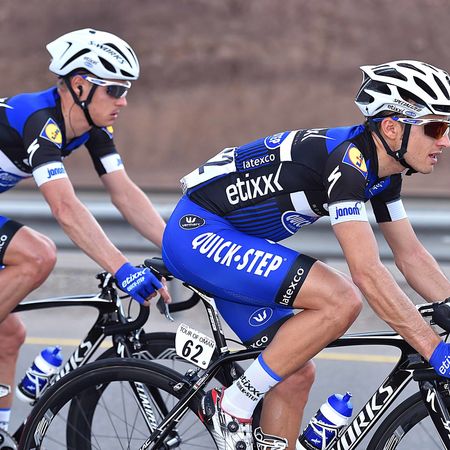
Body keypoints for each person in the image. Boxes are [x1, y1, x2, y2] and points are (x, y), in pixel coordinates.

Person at [162, 59, 450, 449]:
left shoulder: (385, 173)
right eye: (435, 128)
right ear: (392, 127)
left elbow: (411, 256)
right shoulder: (348, 164)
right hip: (198, 234)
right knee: (341, 298)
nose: (445, 141)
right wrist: (433, 348)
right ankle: (232, 405)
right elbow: (366, 272)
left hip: (233, 241)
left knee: (294, 375)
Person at [0, 28, 170, 431]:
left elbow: (124, 194)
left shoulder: (93, 128)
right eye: (114, 90)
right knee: (37, 255)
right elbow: (64, 206)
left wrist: (183, 252)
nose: (123, 101)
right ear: (79, 86)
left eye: (125, 90)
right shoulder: (39, 120)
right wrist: (122, 268)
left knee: (8, 336)